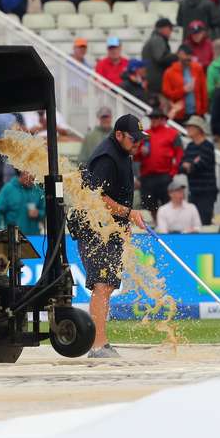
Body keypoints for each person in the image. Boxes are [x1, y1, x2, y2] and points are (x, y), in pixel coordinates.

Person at [67, 114, 147, 358]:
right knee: (102, 286)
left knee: (109, 285)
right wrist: (128, 212)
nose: (138, 144)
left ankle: (102, 341)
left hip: (108, 227)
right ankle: (97, 346)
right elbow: (96, 197)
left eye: (141, 140)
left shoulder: (123, 153)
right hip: (94, 228)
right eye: (134, 139)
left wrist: (124, 222)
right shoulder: (106, 157)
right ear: (119, 134)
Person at [136, 107, 184, 218]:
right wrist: (140, 152)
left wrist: (172, 172)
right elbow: (134, 155)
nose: (154, 120)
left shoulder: (173, 134)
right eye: (152, 117)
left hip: (164, 176)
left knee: (167, 205)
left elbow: (180, 154)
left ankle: (166, 229)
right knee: (149, 205)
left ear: (163, 119)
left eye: (156, 117)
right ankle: (156, 226)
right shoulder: (144, 134)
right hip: (147, 177)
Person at [179, 115, 216, 224]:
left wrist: (190, 165)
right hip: (193, 191)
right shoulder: (190, 146)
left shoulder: (208, 146)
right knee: (193, 223)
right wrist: (192, 164)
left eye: (191, 127)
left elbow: (201, 165)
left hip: (206, 192)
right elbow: (182, 167)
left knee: (204, 222)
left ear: (199, 129)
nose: (188, 129)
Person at [0, 170, 45, 236]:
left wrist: (38, 213)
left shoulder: (37, 189)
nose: (32, 181)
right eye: (29, 177)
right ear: (22, 173)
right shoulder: (8, 189)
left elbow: (45, 210)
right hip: (13, 238)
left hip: (34, 237)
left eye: (33, 178)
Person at [163, 45, 208, 122]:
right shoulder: (169, 72)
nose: (188, 58)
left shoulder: (197, 68)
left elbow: (203, 90)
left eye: (190, 56)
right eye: (186, 56)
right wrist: (183, 90)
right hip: (179, 114)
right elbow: (167, 94)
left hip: (196, 113)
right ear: (179, 55)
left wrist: (203, 111)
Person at [142, 18, 177, 98]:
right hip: (156, 82)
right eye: (170, 28)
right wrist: (176, 56)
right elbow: (160, 58)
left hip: (153, 80)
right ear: (162, 29)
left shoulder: (155, 39)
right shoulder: (157, 40)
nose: (171, 31)